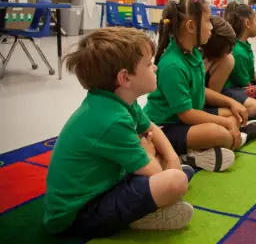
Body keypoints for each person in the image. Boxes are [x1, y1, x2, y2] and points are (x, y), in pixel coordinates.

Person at [44, 28, 194, 238]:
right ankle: (139, 218)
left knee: (181, 172)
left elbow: (150, 127)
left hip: (107, 184)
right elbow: (156, 173)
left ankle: (149, 201)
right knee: (176, 181)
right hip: (79, 215)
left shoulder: (117, 100)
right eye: (148, 63)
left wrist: (171, 159)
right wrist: (152, 156)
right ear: (125, 78)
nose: (155, 66)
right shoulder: (112, 119)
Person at [144, 0, 256, 173]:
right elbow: (186, 115)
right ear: (191, 26)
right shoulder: (173, 65)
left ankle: (215, 144)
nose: (211, 27)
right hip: (167, 126)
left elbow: (201, 91)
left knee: (236, 115)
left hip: (189, 117)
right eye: (208, 21)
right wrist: (224, 124)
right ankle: (189, 155)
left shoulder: (192, 53)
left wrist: (231, 103)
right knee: (220, 133)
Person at [202, 15, 256, 118]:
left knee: (251, 106)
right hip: (198, 106)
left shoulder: (225, 56)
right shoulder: (192, 59)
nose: (209, 27)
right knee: (248, 109)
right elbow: (203, 99)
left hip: (214, 96)